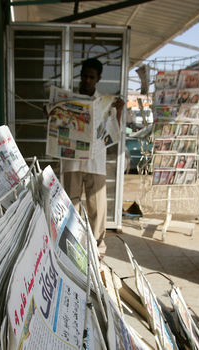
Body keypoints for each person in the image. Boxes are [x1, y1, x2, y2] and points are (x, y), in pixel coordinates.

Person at [62, 58, 123, 258]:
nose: (87, 80)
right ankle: (72, 241)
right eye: (84, 76)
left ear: (98, 79)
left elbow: (113, 133)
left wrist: (119, 111)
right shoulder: (68, 101)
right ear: (80, 76)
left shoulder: (104, 104)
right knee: (71, 204)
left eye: (91, 77)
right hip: (72, 161)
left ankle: (98, 246)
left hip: (95, 162)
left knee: (97, 206)